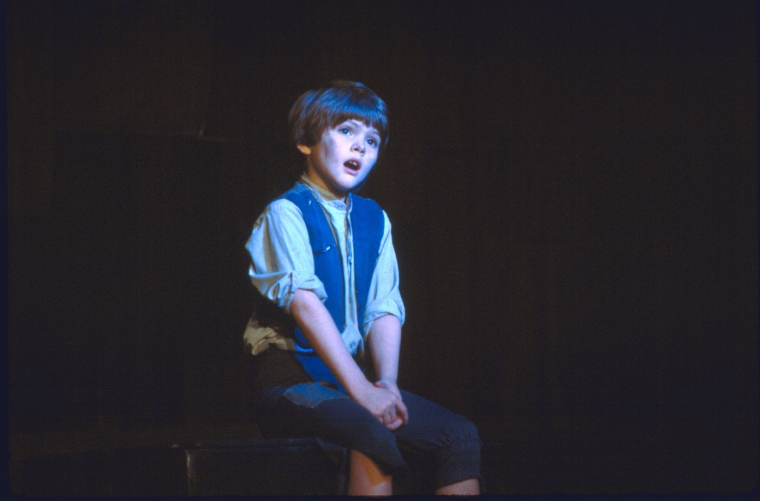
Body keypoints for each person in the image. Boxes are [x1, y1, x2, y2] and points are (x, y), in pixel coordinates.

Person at [244, 81, 481, 495]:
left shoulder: (375, 219)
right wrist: (362, 393)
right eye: (347, 132)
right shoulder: (287, 213)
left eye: (371, 140)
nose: (360, 147)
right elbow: (304, 304)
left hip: (351, 381)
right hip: (292, 382)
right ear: (306, 141)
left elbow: (384, 307)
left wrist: (385, 383)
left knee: (457, 435)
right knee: (370, 431)